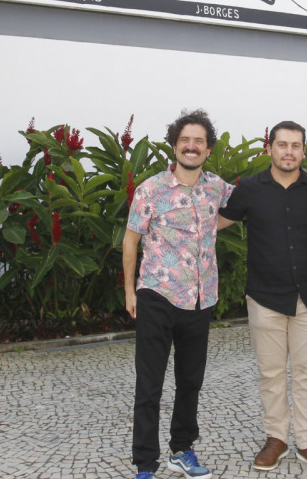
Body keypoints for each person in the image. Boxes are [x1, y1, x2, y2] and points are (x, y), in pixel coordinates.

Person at [217, 121, 307, 475]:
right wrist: (170, 220)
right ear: (269, 147)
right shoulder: (250, 189)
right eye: (282, 144)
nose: (289, 152)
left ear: (304, 150)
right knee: (269, 374)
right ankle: (276, 438)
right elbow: (217, 222)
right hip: (264, 296)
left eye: (295, 146)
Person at [124, 109, 234, 479]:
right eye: (185, 140)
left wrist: (213, 226)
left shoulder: (217, 187)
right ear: (174, 145)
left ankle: (181, 449)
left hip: (200, 299)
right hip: (157, 295)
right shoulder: (151, 189)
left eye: (199, 141)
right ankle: (144, 463)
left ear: (207, 149)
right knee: (149, 384)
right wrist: (129, 291)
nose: (191, 146)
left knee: (191, 381)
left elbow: (249, 203)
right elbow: (131, 239)